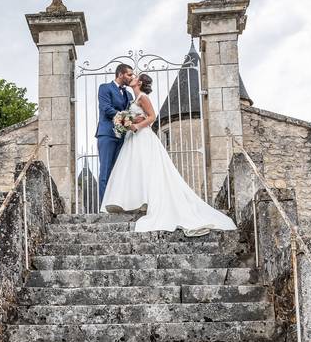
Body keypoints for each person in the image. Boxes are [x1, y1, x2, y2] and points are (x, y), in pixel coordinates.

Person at [101, 73, 237, 236]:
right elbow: (138, 116)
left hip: (142, 136)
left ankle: (150, 202)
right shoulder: (132, 99)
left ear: (140, 82)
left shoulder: (143, 97)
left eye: (135, 77)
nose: (132, 78)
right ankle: (137, 201)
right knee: (135, 167)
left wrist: (137, 126)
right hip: (133, 137)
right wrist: (128, 122)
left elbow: (152, 117)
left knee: (147, 167)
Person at [95, 63, 144, 203]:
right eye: (129, 74)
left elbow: (132, 110)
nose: (131, 77)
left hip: (123, 136)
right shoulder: (105, 88)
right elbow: (107, 109)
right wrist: (130, 118)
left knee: (120, 171)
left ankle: (117, 203)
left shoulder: (128, 94)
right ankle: (104, 206)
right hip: (107, 134)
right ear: (120, 74)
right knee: (105, 171)